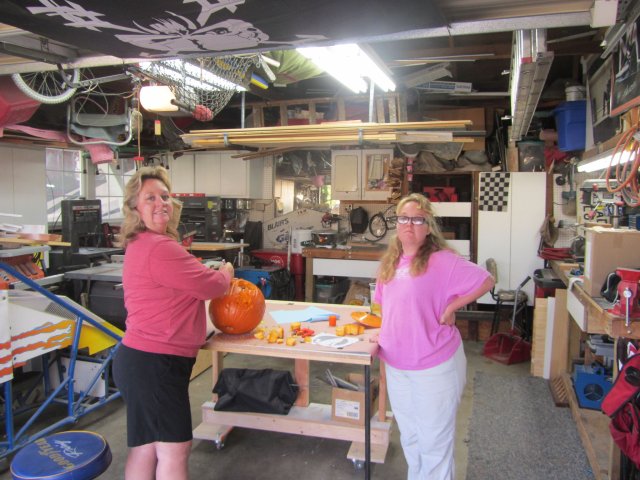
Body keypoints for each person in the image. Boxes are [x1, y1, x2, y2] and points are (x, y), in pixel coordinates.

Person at [112, 166, 234, 480]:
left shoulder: (142, 242)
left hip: (142, 361)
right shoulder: (159, 247)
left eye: (165, 196)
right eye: (150, 197)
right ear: (135, 208)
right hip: (156, 365)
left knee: (147, 447)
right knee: (174, 449)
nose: (160, 203)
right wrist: (227, 273)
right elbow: (212, 286)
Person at [372, 193, 494, 480]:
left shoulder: (443, 262)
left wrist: (452, 306)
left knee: (434, 444)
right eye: (403, 218)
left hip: (434, 366)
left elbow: (486, 279)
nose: (409, 224)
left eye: (417, 219)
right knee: (411, 438)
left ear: (428, 226)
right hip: (397, 364)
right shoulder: (390, 263)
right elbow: (385, 307)